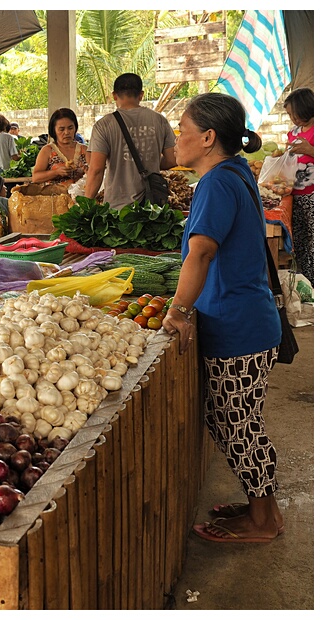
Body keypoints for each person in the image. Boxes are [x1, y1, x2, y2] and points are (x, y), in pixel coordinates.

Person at [162, 92, 283, 544]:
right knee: (237, 421)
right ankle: (260, 506)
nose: (177, 139)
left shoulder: (216, 182)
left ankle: (263, 522)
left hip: (238, 326)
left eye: (182, 130)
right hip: (247, 319)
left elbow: (203, 250)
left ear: (208, 137)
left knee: (237, 424)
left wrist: (177, 310)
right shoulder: (234, 173)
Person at [84, 72, 177, 209]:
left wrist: (85, 207)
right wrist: (151, 162)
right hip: (152, 208)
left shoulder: (104, 125)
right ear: (141, 95)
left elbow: (97, 169)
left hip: (117, 208)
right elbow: (172, 159)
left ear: (114, 95)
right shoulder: (159, 120)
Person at [283, 87, 314, 286]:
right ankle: (310, 282)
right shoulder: (293, 133)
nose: (292, 118)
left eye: (293, 114)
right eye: (289, 114)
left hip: (314, 195)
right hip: (295, 194)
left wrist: (310, 150)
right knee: (302, 243)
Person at [32, 108, 90, 188]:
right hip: (55, 198)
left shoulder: (84, 150)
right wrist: (56, 172)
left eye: (70, 128)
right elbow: (35, 178)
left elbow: (95, 173)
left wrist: (88, 171)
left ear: (75, 128)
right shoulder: (47, 150)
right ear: (54, 131)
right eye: (61, 129)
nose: (66, 132)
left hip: (80, 198)